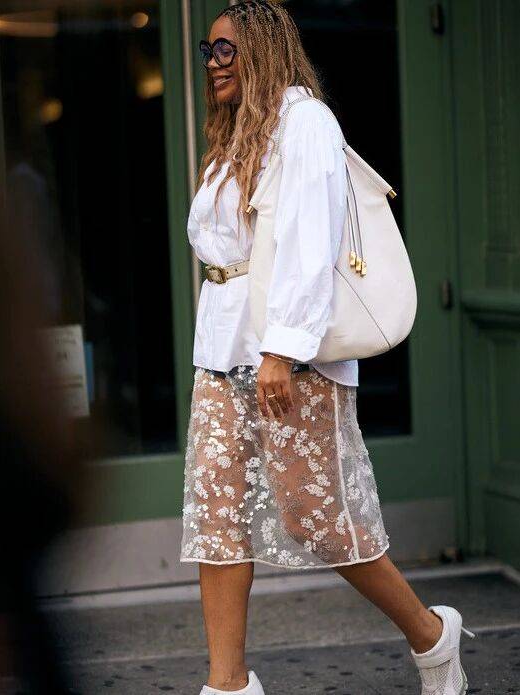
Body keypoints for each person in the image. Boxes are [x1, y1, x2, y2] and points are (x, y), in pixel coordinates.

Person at [180, 2, 474, 694]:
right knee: (217, 517)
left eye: (227, 49)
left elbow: (310, 244)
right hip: (220, 350)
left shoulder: (305, 122)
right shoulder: (232, 136)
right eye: (208, 51)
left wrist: (281, 350)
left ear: (264, 48)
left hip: (289, 352)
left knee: (320, 519)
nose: (214, 63)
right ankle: (228, 684)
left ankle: (432, 638)